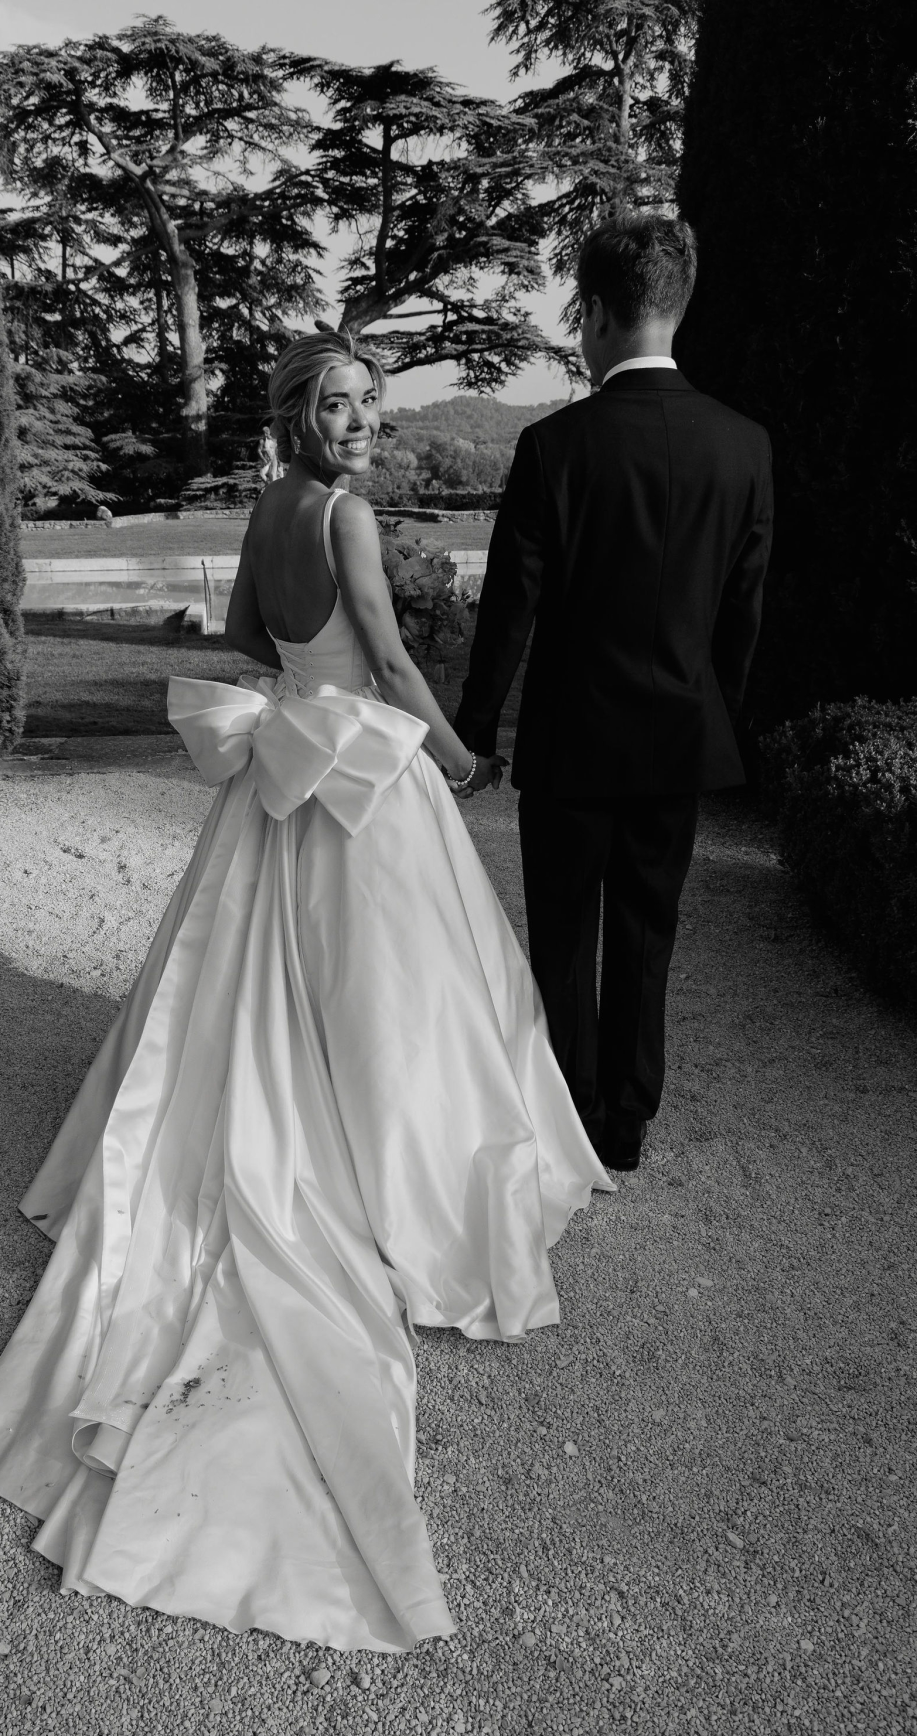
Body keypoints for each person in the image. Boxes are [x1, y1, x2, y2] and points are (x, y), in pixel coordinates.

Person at [0, 330, 610, 1656]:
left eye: (370, 404)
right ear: (303, 414)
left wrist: (304, 685)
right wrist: (460, 755)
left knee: (257, 979)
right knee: (401, 994)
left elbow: (249, 632)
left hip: (280, 772)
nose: (361, 423)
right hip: (366, 772)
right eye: (340, 404)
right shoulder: (349, 517)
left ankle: (304, 1135)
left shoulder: (267, 507)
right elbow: (396, 667)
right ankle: (394, 1179)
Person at [455, 213, 773, 1174]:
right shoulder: (745, 445)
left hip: (570, 737)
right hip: (679, 736)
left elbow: (510, 607)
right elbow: (743, 613)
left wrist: (476, 729)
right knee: (648, 929)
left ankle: (568, 1112)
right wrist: (715, 719)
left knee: (563, 931)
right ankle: (625, 1122)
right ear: (680, 307)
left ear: (593, 313)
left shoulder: (555, 445)